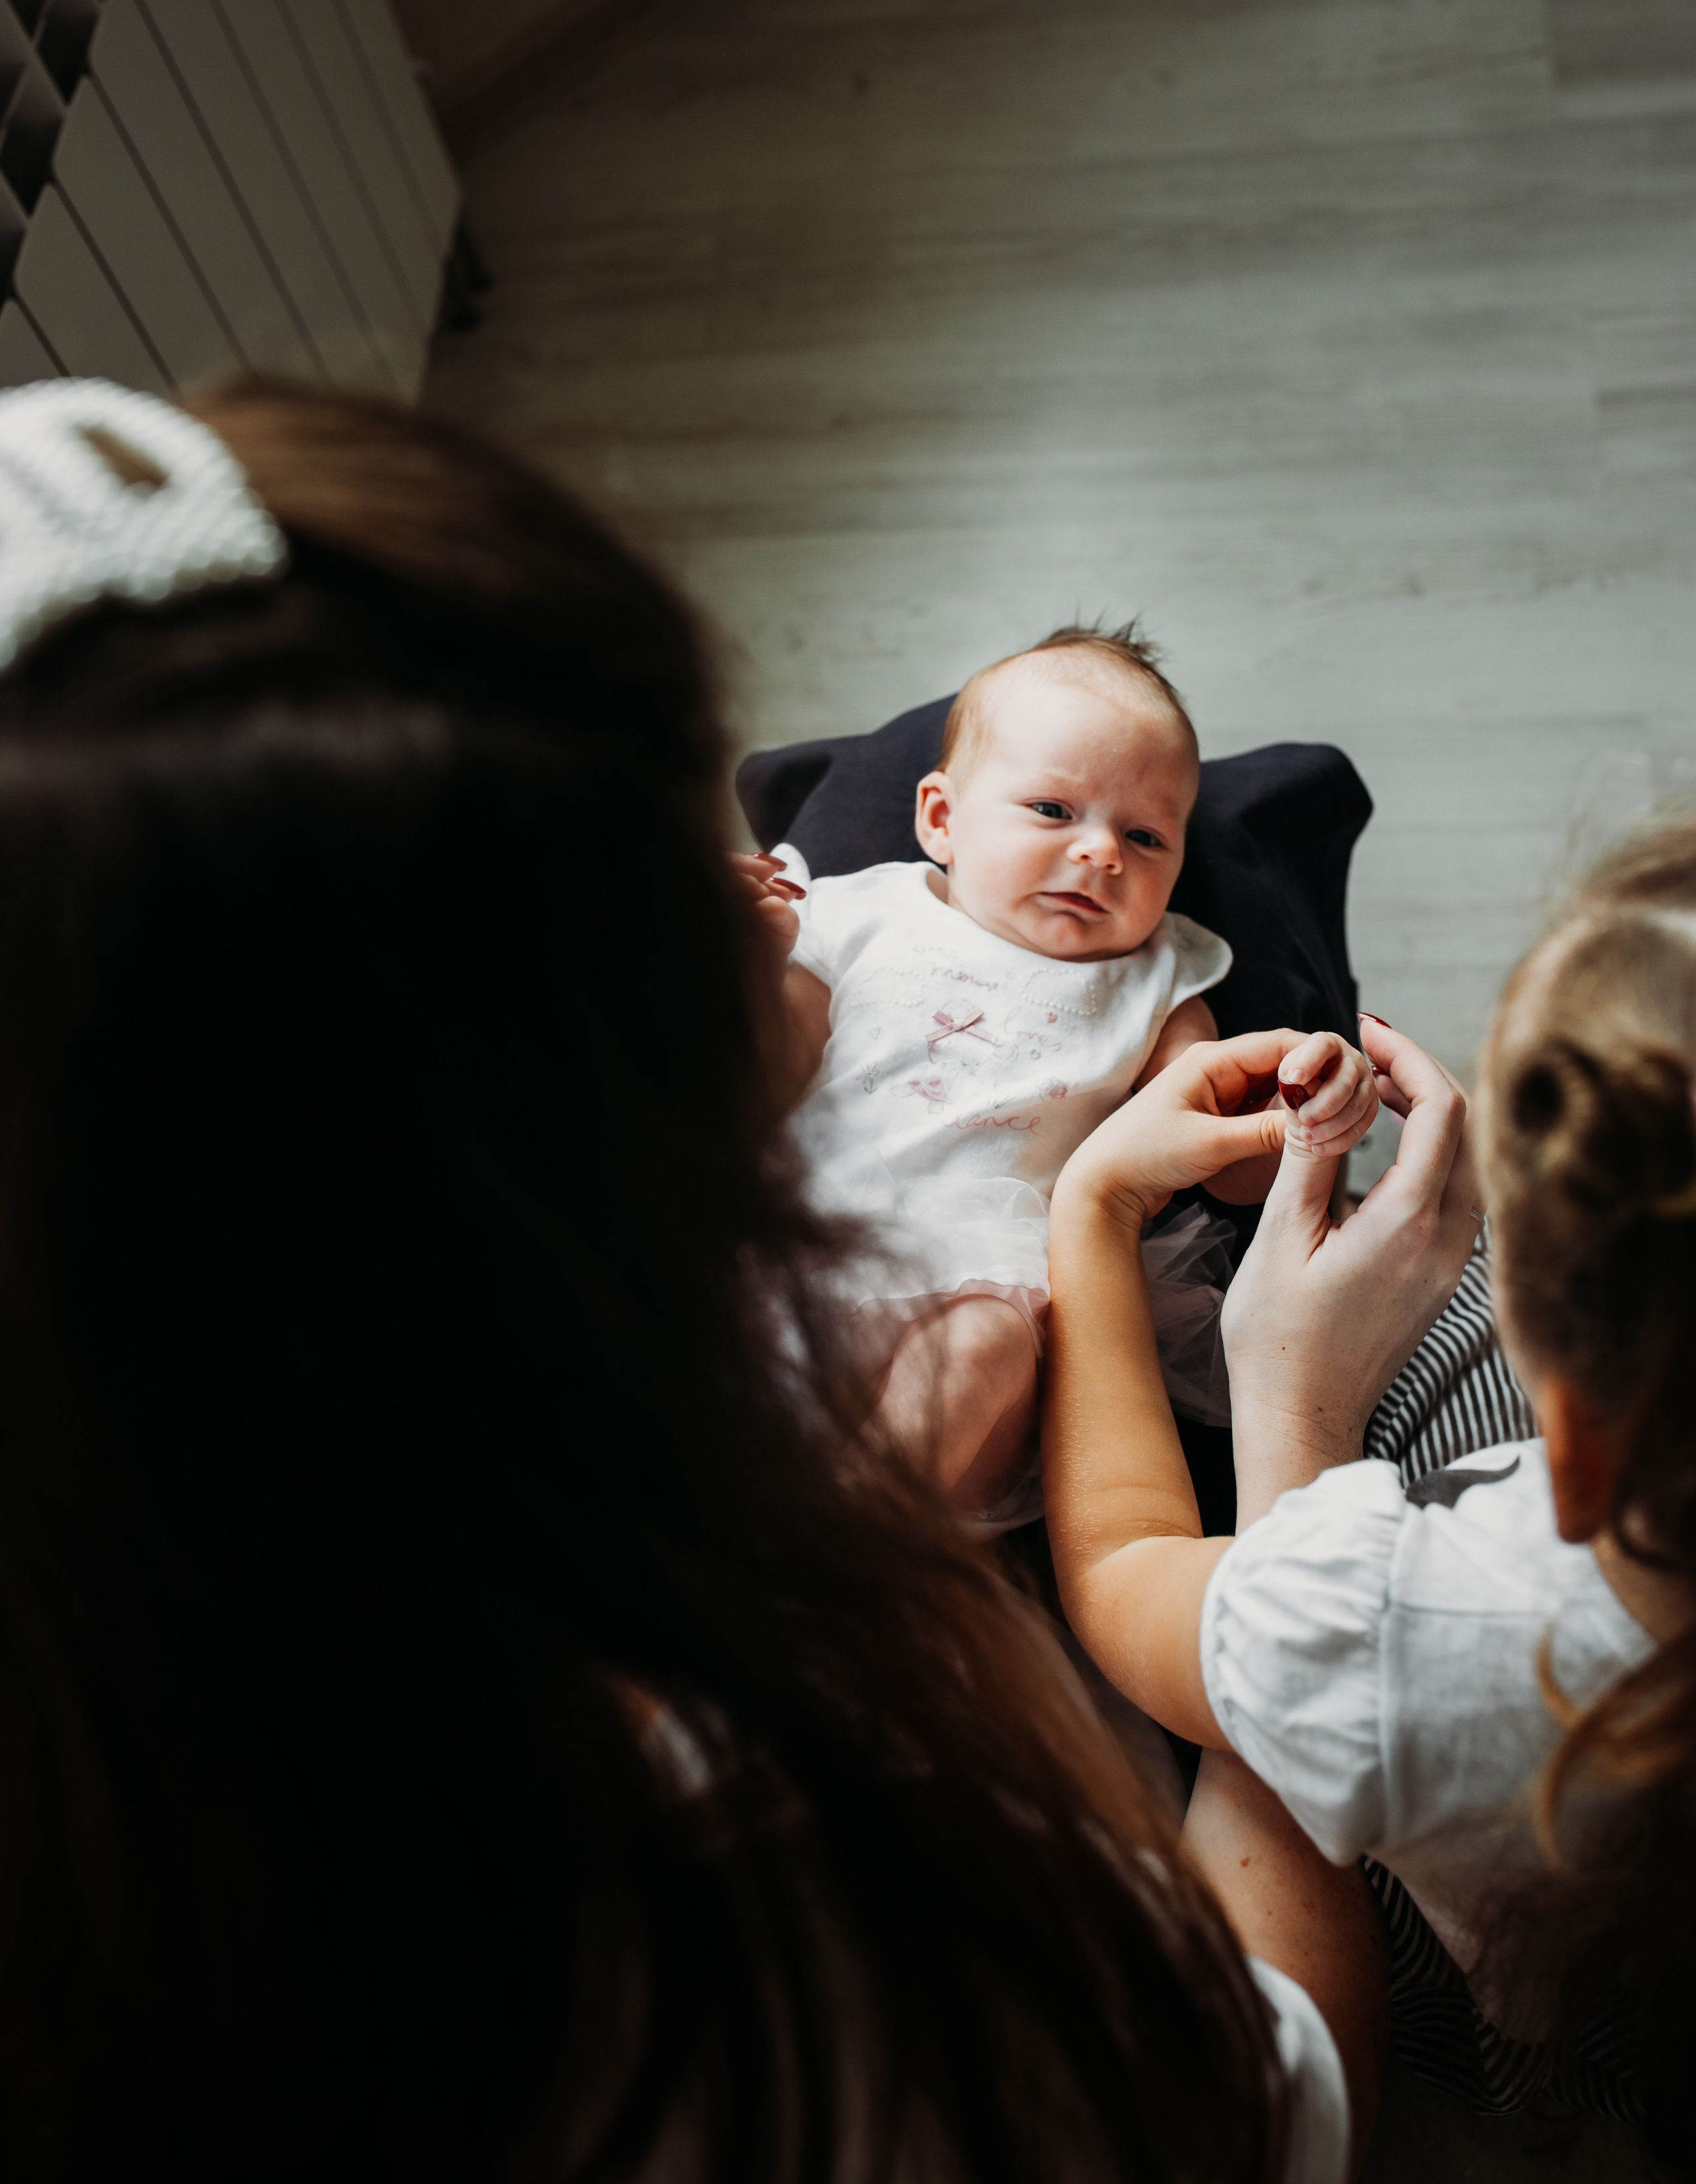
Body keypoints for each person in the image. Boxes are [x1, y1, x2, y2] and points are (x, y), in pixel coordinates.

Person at [0, 375, 1378, 2184]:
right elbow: (1280, 2112)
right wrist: (1296, 1489)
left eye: (1154, 840)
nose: (775, 879)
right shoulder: (820, 1910)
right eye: (690, 887)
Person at [1043, 827, 1696, 2167]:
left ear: (1564, 1434)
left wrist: (1096, 1208)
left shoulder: (1425, 1625)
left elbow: (1121, 1564)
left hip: (1516, 2031)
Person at [742, 626, 1376, 1514]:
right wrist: (748, 965)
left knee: (987, 1348)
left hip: (988, 1299)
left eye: (1149, 836)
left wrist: (1301, 1107)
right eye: (1053, 811)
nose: (1102, 852)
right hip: (794, 1265)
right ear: (940, 819)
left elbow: (1227, 1169)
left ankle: (833, 1550)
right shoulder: (856, 914)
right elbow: (758, 1081)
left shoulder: (1159, 978)